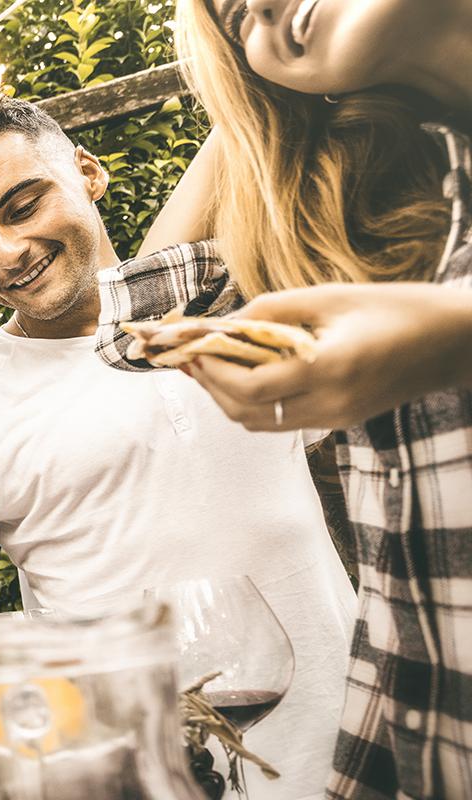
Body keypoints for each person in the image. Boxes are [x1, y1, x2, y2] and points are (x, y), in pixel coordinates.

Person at [0, 93, 356, 797]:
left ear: (88, 171)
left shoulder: (223, 302)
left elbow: (255, 117)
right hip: (143, 777)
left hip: (358, 739)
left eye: (23, 206)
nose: (9, 252)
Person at [93, 2, 472, 796]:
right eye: (237, 23)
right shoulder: (368, 207)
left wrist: (450, 332)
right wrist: (252, 113)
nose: (259, 7)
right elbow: (134, 321)